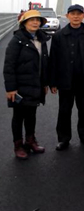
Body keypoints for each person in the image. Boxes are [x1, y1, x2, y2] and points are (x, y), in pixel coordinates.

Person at [49, 4, 84, 150]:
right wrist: (53, 82)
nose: (76, 16)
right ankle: (63, 139)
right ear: (67, 16)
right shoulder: (59, 36)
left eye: (79, 14)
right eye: (72, 14)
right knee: (64, 111)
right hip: (65, 80)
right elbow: (53, 60)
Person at [4, 10, 50, 159]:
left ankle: (30, 141)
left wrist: (45, 83)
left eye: (38, 20)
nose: (35, 22)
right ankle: (18, 145)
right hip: (20, 86)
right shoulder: (17, 40)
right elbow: (9, 66)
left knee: (31, 115)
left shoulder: (41, 39)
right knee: (18, 117)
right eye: (31, 20)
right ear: (24, 23)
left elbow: (44, 64)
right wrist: (11, 88)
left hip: (36, 85)